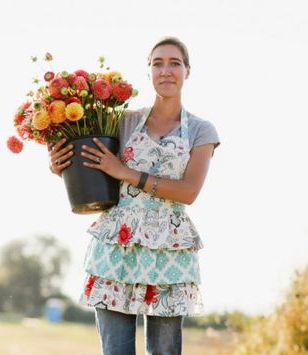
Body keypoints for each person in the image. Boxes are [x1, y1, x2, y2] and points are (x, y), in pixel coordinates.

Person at [48, 37, 220, 355]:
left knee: (165, 352)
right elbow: (90, 162)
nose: (165, 70)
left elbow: (189, 191)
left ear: (188, 71)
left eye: (174, 63)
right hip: (116, 247)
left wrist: (127, 173)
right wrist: (60, 164)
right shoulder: (123, 121)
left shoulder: (200, 130)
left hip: (169, 251)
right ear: (149, 71)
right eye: (157, 63)